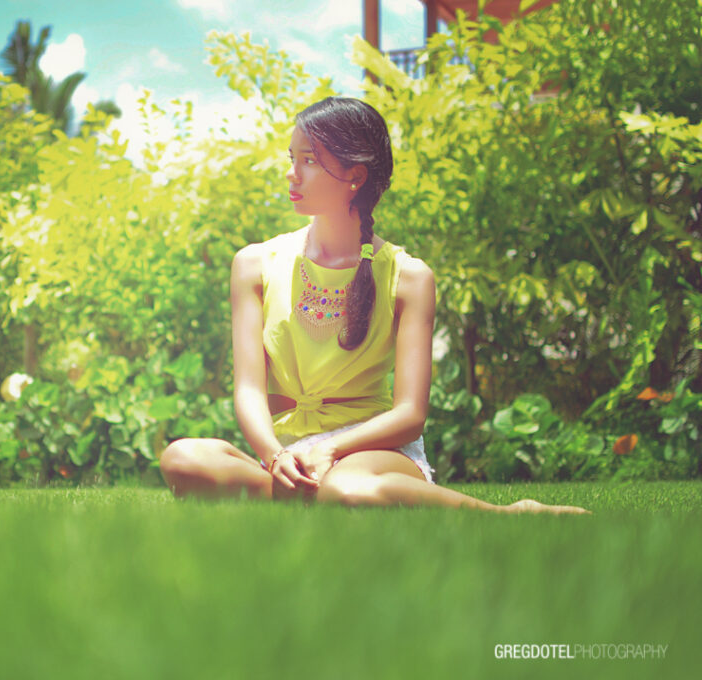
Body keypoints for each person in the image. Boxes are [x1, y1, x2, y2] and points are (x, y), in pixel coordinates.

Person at [159, 97, 588, 514]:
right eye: (292, 158)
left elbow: (410, 414)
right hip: (287, 452)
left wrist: (330, 449)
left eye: (309, 161)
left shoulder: (409, 276)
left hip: (370, 449)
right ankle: (309, 494)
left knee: (347, 488)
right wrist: (275, 455)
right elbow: (250, 389)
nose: (291, 174)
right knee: (184, 459)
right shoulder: (254, 264)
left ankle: (507, 513)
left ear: (355, 177)